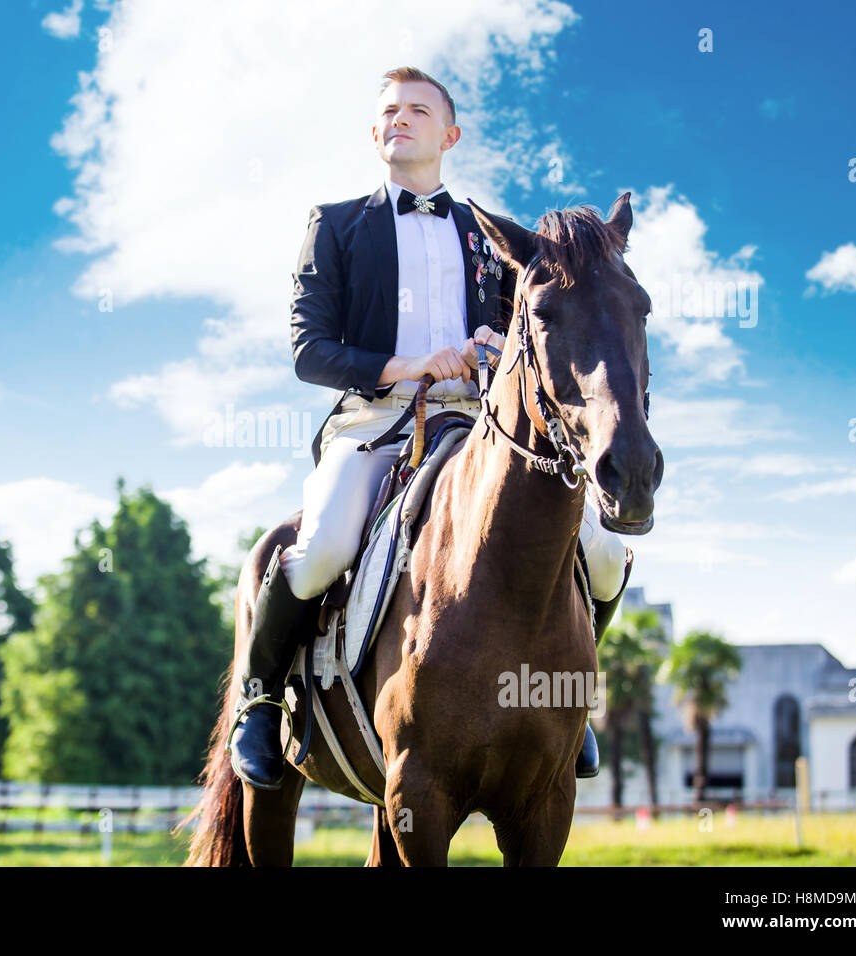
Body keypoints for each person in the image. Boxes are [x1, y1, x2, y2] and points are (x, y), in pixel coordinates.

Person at [228, 67, 634, 791]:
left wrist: (494, 343)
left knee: (603, 552)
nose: (400, 119)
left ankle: (568, 699)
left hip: (483, 427)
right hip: (375, 423)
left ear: (449, 135)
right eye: (388, 110)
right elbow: (307, 351)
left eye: (418, 110)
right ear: (374, 131)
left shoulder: (493, 236)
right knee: (319, 548)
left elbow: (541, 328)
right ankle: (259, 703)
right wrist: (408, 363)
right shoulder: (335, 224)